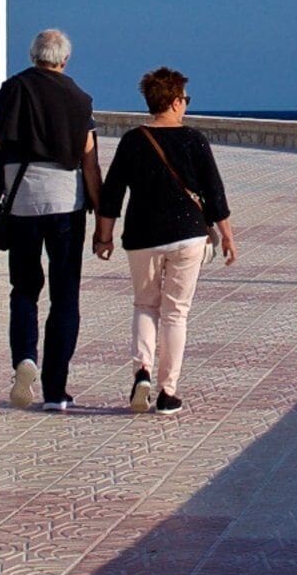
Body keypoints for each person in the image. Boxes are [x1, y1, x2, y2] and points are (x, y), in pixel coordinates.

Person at [0, 28, 102, 411]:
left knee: (24, 289)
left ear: (33, 56)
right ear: (64, 60)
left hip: (22, 203)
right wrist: (104, 222)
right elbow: (90, 163)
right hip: (67, 205)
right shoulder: (80, 99)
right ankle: (56, 391)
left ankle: (25, 359)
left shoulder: (10, 91)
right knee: (65, 295)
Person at [94, 66, 234, 414]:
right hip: (188, 236)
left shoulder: (132, 140)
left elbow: (112, 194)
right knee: (176, 313)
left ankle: (142, 371)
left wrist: (104, 236)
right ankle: (167, 391)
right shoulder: (194, 140)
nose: (185, 105)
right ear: (173, 102)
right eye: (184, 99)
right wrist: (228, 236)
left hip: (142, 237)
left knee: (145, 305)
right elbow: (215, 195)